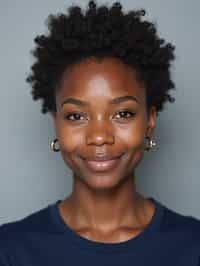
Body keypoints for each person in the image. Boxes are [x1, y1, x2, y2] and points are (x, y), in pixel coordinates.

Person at [0, 1, 200, 265]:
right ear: (56, 122)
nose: (99, 136)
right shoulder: (10, 249)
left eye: (123, 114)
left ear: (150, 120)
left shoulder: (193, 246)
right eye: (76, 116)